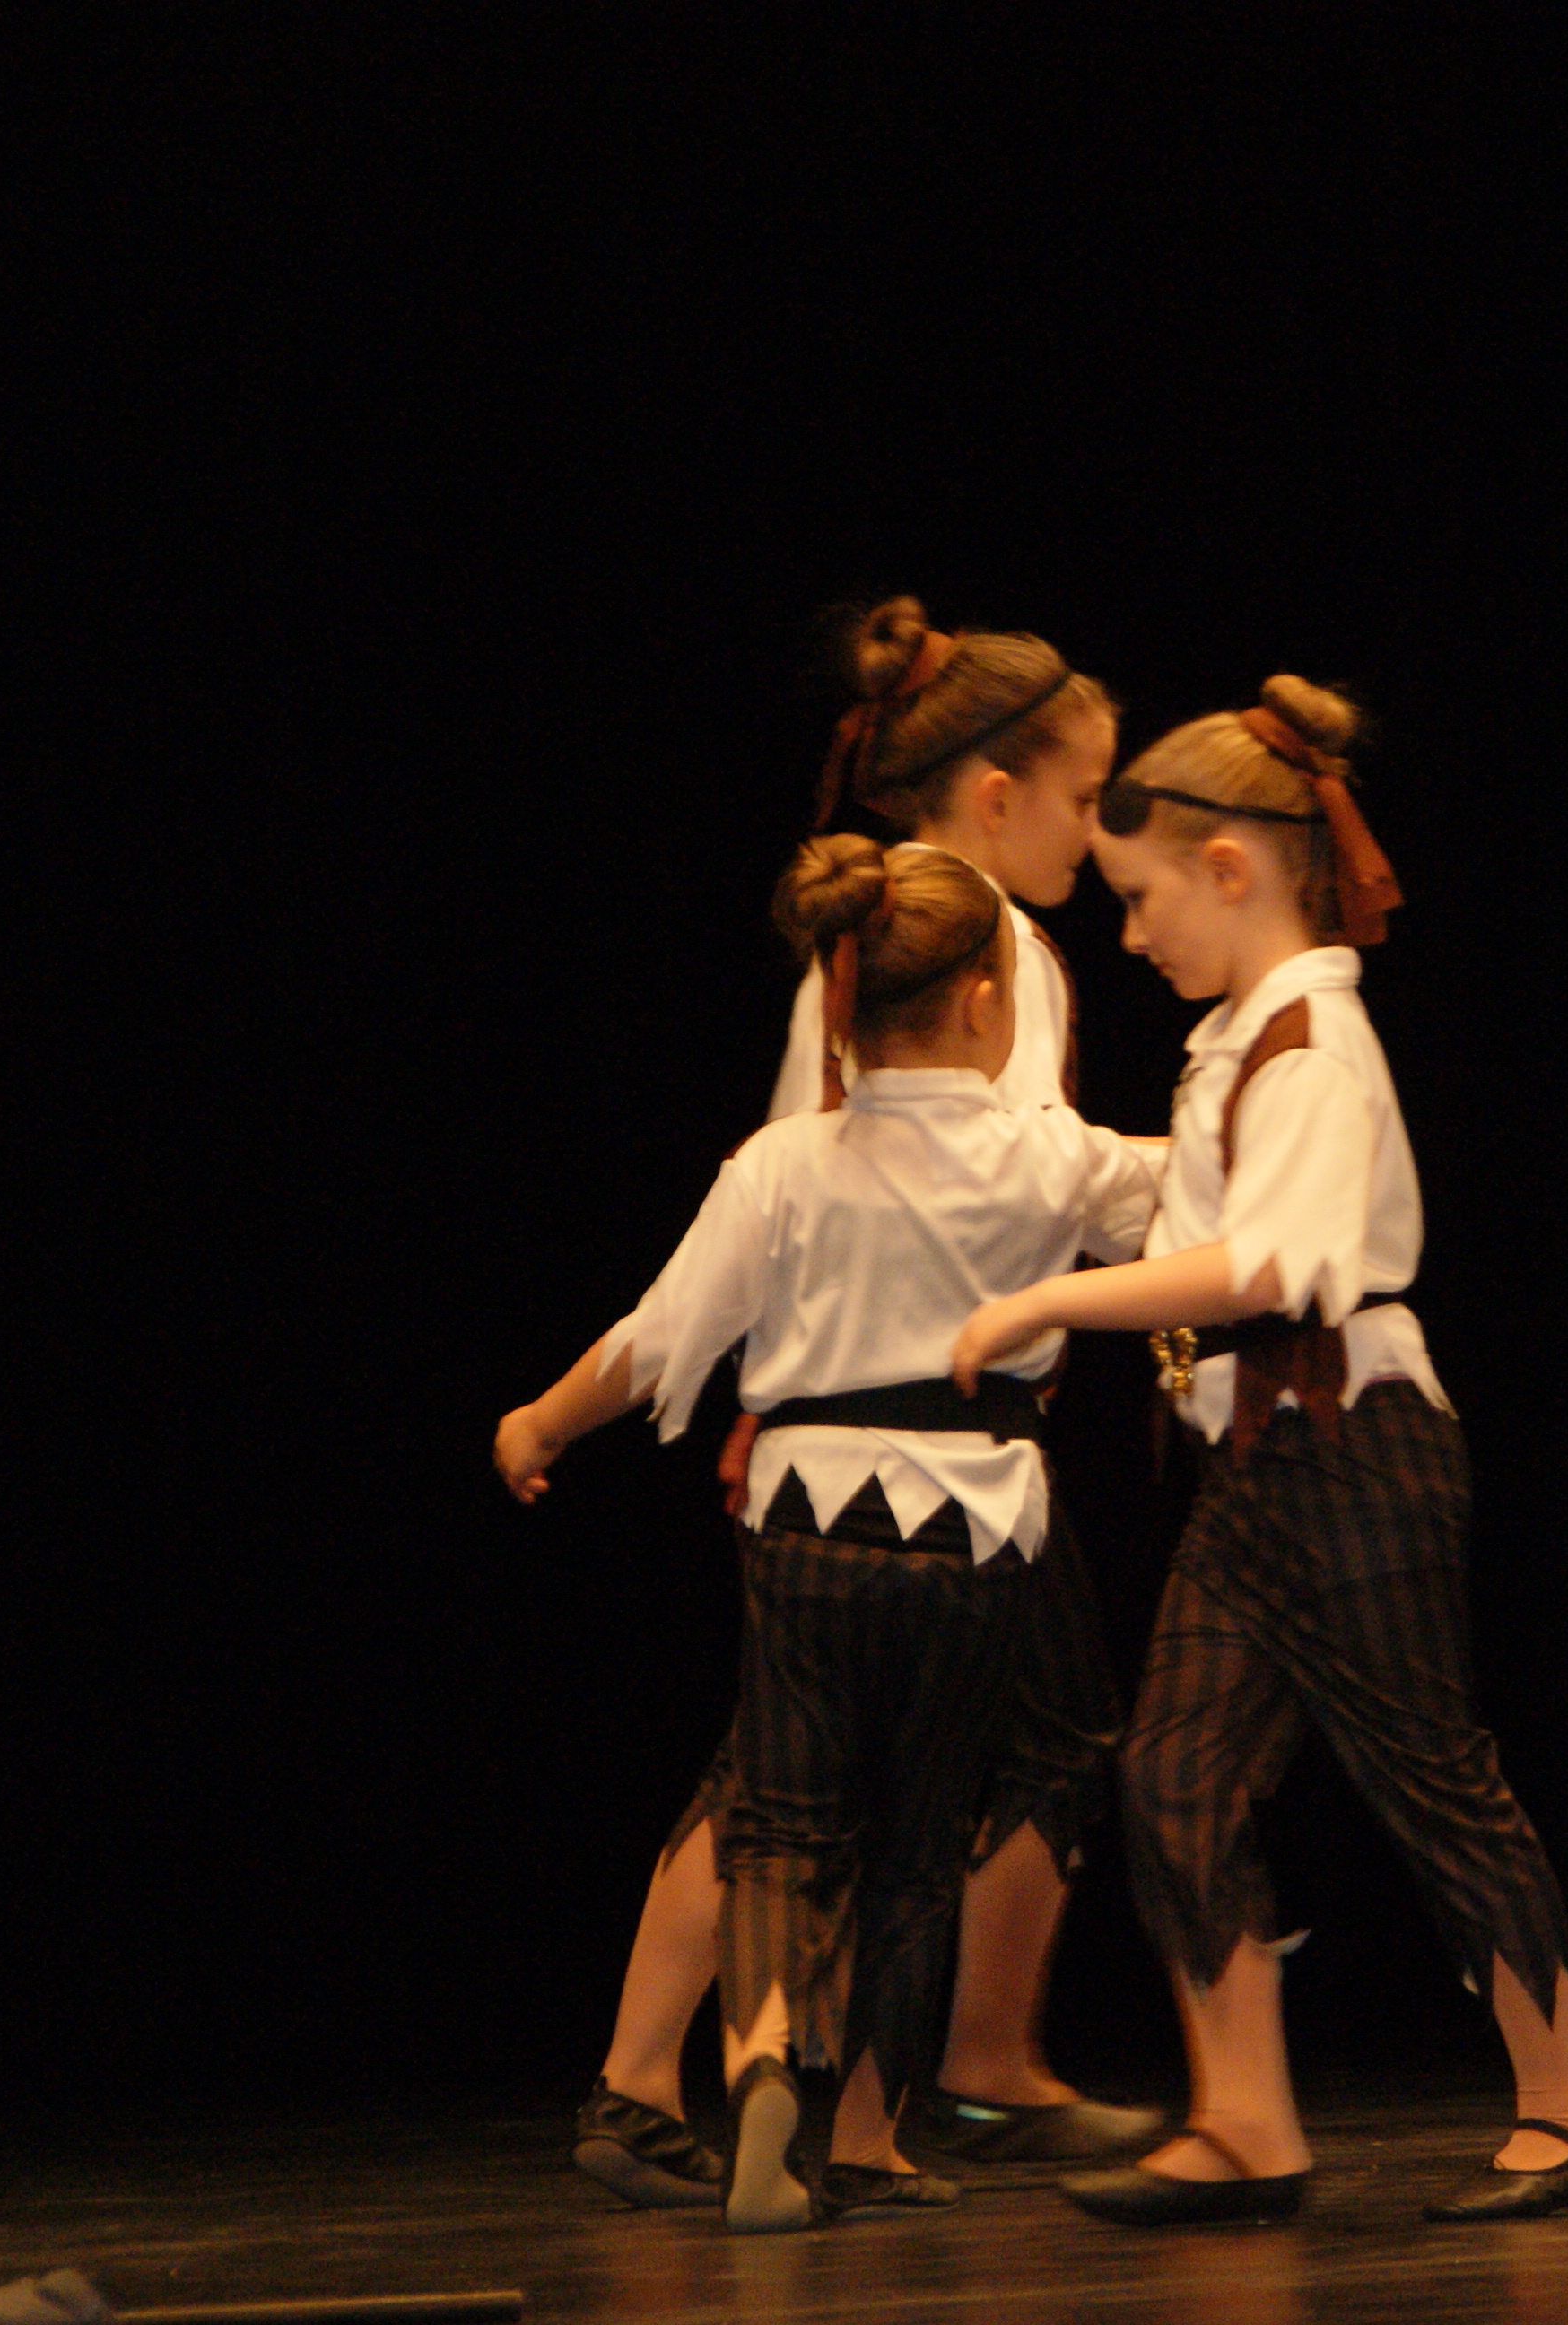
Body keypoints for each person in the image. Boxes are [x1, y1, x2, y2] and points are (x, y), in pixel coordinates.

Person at [949, 678, 1568, 2225]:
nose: (1132, 934)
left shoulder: (1316, 1041)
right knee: (1174, 1776)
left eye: (1144, 899)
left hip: (1349, 1449)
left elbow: (1271, 1263)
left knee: (1430, 1776)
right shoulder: (1245, 1040)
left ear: (1232, 869)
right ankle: (1247, 2121)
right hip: (1258, 1462)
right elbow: (1191, 1206)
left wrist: (1049, 1301)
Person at [571, 604, 1163, 2210]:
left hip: (837, 1410)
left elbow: (795, 1159)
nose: (1095, 833)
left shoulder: (868, 927)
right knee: (969, 1754)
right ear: (994, 792)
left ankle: (695, 2080)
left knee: (799, 1768)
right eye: (1084, 797)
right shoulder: (983, 945)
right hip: (949, 1434)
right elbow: (1019, 1178)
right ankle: (948, 2075)